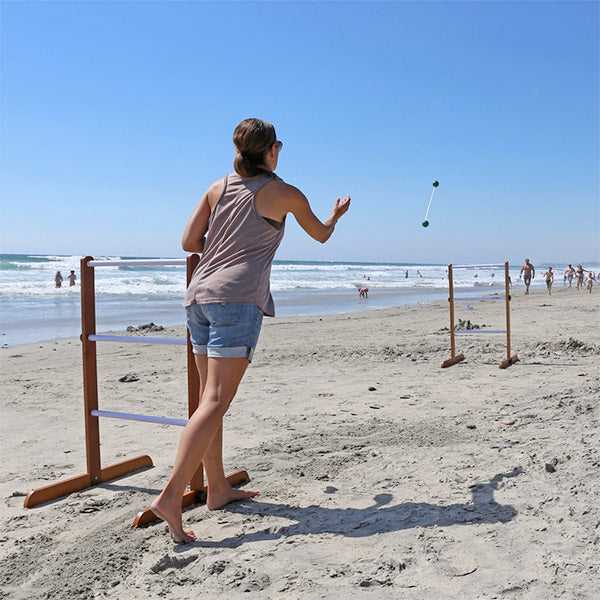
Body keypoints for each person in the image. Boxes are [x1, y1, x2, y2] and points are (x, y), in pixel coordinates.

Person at [150, 118, 350, 543]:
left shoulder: (218, 187)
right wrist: (334, 216)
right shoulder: (284, 192)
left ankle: (218, 488)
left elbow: (189, 241)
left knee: (209, 401)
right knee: (215, 401)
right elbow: (321, 236)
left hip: (199, 296)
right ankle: (169, 496)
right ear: (272, 151)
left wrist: (224, 248)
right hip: (237, 300)